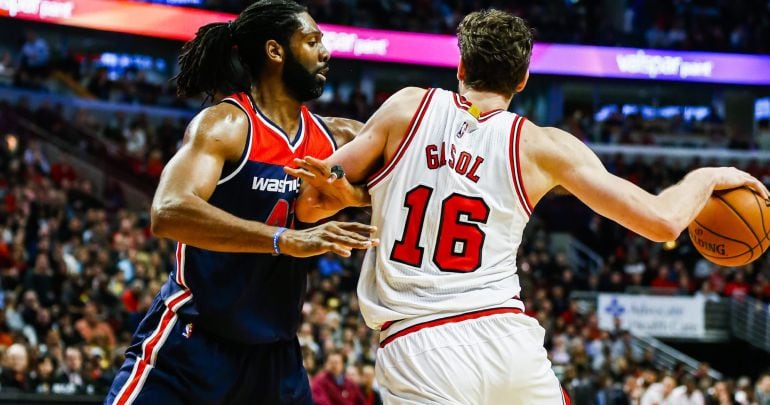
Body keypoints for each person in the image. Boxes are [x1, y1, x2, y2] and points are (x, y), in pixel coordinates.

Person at [288, 9, 769, 404]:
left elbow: (308, 206)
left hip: (419, 343)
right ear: (522, 80)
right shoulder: (544, 146)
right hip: (507, 339)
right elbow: (662, 221)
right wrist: (707, 176)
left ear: (460, 68)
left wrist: (365, 195)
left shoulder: (405, 108)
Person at [105, 1, 376, 404]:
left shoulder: (338, 138)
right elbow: (168, 211)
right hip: (193, 343)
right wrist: (284, 239)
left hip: (274, 355)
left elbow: (404, 187)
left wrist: (352, 196)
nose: (326, 52)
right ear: (275, 51)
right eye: (312, 40)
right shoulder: (226, 125)